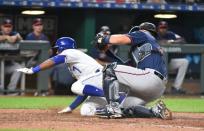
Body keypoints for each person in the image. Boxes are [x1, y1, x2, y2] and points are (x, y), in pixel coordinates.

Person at [17, 36, 171, 120]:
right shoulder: (74, 62)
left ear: (63, 47)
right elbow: (85, 91)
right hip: (99, 81)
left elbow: (53, 61)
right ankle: (153, 111)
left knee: (75, 86)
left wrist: (33, 69)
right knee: (86, 110)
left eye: (58, 49)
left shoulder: (71, 52)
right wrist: (70, 108)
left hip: (102, 76)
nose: (56, 51)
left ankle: (113, 99)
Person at [92, 22, 171, 119]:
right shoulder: (146, 47)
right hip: (157, 87)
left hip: (149, 78)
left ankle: (113, 108)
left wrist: (104, 39)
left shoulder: (144, 34)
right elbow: (124, 67)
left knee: (109, 69)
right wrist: (107, 51)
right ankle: (155, 111)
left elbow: (122, 39)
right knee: (126, 109)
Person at [157, 21, 189, 94]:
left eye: (164, 28)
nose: (163, 29)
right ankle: (159, 89)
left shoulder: (170, 34)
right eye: (161, 28)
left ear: (167, 28)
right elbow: (156, 41)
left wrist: (171, 41)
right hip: (156, 65)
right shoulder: (154, 35)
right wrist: (162, 42)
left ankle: (176, 87)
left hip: (168, 62)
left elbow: (182, 40)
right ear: (158, 28)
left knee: (184, 62)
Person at [0, 18, 23, 95]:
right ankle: (1, 91)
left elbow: (21, 40)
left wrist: (19, 37)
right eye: (5, 26)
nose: (7, 28)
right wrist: (6, 37)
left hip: (8, 64)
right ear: (2, 27)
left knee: (19, 68)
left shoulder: (14, 33)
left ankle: (11, 90)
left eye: (9, 26)